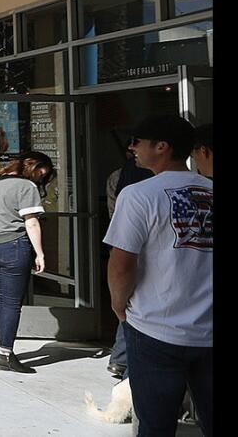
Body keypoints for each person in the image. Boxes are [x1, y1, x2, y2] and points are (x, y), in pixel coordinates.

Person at [106, 115, 211, 437]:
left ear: (162, 147)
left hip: (155, 327)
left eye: (138, 141)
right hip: (208, 330)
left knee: (155, 426)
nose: (132, 148)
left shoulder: (139, 195)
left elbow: (122, 262)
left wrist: (118, 305)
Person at [0, 151, 55, 374]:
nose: (42, 176)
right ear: (33, 166)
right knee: (12, 303)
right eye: (42, 171)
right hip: (13, 246)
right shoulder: (26, 187)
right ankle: (5, 354)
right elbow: (31, 223)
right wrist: (40, 253)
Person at [105, 147, 152, 378]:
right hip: (134, 246)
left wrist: (118, 303)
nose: (134, 151)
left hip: (128, 241)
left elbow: (113, 211)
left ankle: (119, 359)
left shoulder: (123, 181)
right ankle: (122, 360)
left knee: (132, 308)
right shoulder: (137, 189)